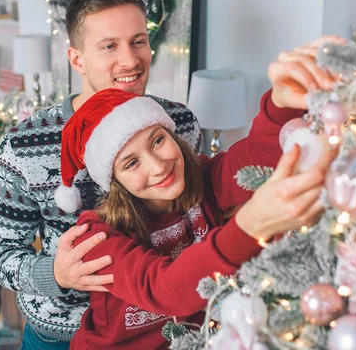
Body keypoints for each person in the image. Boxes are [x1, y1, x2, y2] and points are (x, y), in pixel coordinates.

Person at [0, 0, 344, 349]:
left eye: (138, 41)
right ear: (77, 58)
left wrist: (281, 103)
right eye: (109, 46)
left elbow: (237, 170)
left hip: (177, 330)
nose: (130, 60)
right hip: (63, 333)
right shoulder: (25, 144)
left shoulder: (179, 122)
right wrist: (55, 273)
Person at [54, 86, 334, 349]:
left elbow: (256, 153)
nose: (158, 166)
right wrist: (247, 227)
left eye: (158, 141)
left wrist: (281, 105)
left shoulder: (204, 181)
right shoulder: (97, 236)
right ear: (114, 180)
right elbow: (165, 289)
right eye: (132, 163)